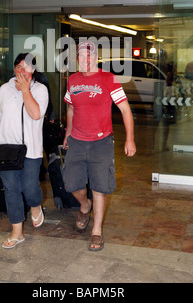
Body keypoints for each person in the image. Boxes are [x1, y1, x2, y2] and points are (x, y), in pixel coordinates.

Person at [62, 41, 136, 251]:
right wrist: (68, 133)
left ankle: (96, 231)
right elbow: (70, 109)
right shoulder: (73, 80)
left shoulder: (108, 79)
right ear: (77, 58)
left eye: (89, 56)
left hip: (101, 142)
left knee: (99, 187)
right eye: (81, 56)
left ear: (95, 57)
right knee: (71, 185)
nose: (85, 60)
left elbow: (125, 109)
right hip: (77, 140)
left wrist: (130, 138)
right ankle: (85, 205)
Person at [0, 53, 49, 249]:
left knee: (30, 187)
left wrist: (25, 90)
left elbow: (35, 114)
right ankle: (17, 232)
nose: (22, 71)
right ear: (14, 69)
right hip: (7, 149)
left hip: (30, 150)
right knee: (11, 189)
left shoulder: (40, 90)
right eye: (19, 67)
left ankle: (35, 205)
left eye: (27, 67)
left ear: (33, 70)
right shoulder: (4, 89)